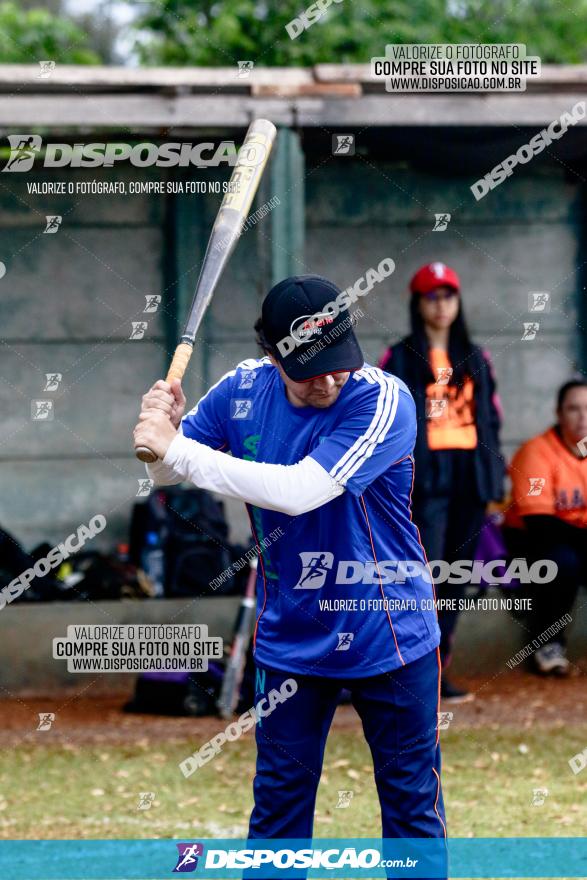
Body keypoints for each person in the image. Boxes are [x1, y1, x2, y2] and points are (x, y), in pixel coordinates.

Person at [134, 274, 447, 854]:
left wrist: (178, 448)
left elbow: (303, 490)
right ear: (274, 355)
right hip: (292, 635)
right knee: (278, 805)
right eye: (311, 367)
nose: (330, 379)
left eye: (339, 361)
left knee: (410, 805)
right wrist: (164, 434)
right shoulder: (241, 390)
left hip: (389, 631)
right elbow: (168, 473)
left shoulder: (384, 399)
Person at [379, 262, 504, 703]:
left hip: (469, 476)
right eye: (431, 296)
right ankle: (410, 669)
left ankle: (438, 669)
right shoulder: (397, 358)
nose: (441, 305)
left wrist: (494, 481)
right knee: (422, 576)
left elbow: (491, 419)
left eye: (448, 295)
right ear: (417, 304)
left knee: (457, 576)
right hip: (425, 480)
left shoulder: (477, 356)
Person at [504, 380, 587, 675]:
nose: (583, 418)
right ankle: (549, 644)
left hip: (576, 537)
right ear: (559, 413)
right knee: (562, 561)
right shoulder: (536, 452)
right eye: (574, 409)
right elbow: (540, 525)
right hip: (529, 541)